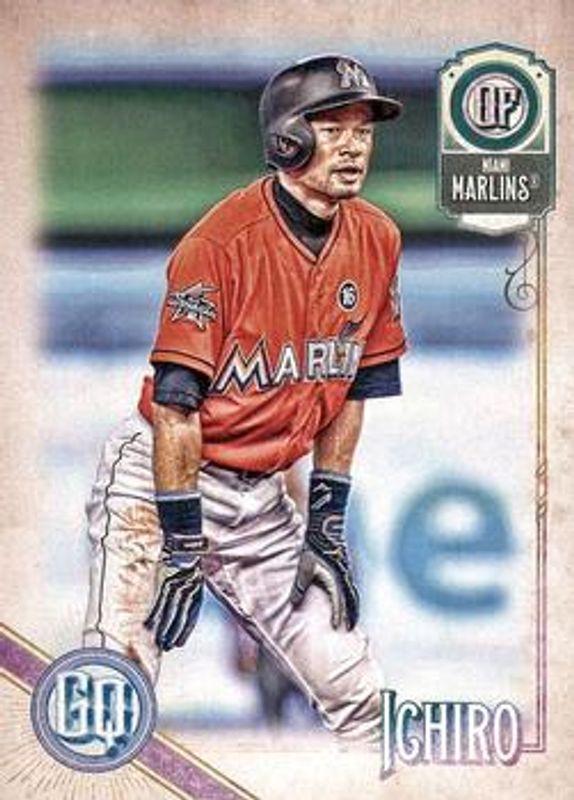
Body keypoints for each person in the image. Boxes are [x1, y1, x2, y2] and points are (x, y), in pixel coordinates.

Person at [83, 53, 407, 744]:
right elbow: (176, 408)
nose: (354, 146)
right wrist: (183, 543)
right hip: (160, 480)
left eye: (364, 131)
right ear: (287, 139)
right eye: (333, 128)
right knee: (119, 682)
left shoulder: (378, 238)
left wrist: (325, 524)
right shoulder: (220, 243)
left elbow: (353, 385)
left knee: (360, 693)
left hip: (260, 497)